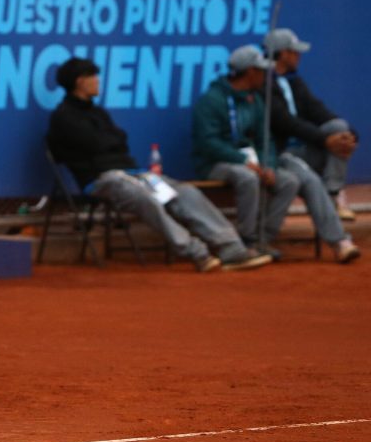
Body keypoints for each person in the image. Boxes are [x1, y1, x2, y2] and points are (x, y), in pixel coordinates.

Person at [46, 57, 270, 272]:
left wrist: (109, 142)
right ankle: (197, 253)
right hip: (102, 179)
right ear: (79, 82)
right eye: (93, 76)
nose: (98, 81)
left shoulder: (98, 113)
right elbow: (98, 143)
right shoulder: (63, 117)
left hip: (134, 174)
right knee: (145, 198)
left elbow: (117, 140)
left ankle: (231, 248)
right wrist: (108, 142)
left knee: (184, 193)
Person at [191, 46, 300, 257]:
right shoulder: (211, 101)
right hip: (214, 164)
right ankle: (246, 241)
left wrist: (267, 164)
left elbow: (264, 139)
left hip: (251, 162)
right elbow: (208, 143)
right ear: (250, 71)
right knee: (247, 177)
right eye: (261, 70)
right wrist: (242, 160)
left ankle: (263, 239)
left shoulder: (255, 100)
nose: (265, 75)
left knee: (289, 181)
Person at [266, 31, 361, 263]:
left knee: (338, 127)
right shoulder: (264, 85)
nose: (299, 55)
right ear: (283, 53)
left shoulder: (294, 81)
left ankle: (333, 192)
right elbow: (285, 122)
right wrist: (324, 140)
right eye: (294, 50)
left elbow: (317, 110)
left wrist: (348, 134)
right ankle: (341, 242)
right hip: (278, 155)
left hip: (304, 152)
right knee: (310, 180)